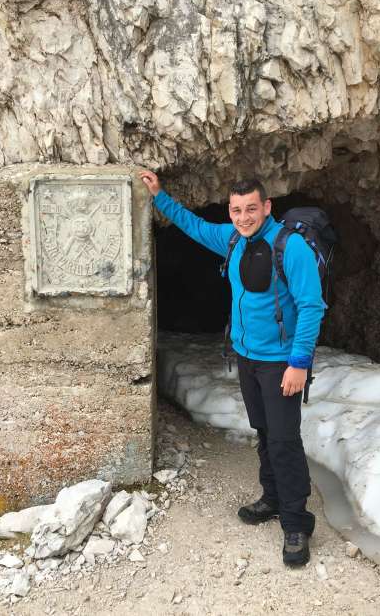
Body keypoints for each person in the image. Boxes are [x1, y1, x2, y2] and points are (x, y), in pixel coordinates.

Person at [139, 169, 325, 566]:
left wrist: (298, 364)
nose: (244, 217)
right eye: (237, 210)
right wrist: (160, 197)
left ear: (267, 208)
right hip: (248, 357)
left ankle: (296, 522)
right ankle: (272, 498)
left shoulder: (291, 248)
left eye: (251, 209)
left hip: (281, 363)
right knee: (263, 431)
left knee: (284, 440)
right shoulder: (232, 240)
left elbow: (311, 306)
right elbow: (193, 225)